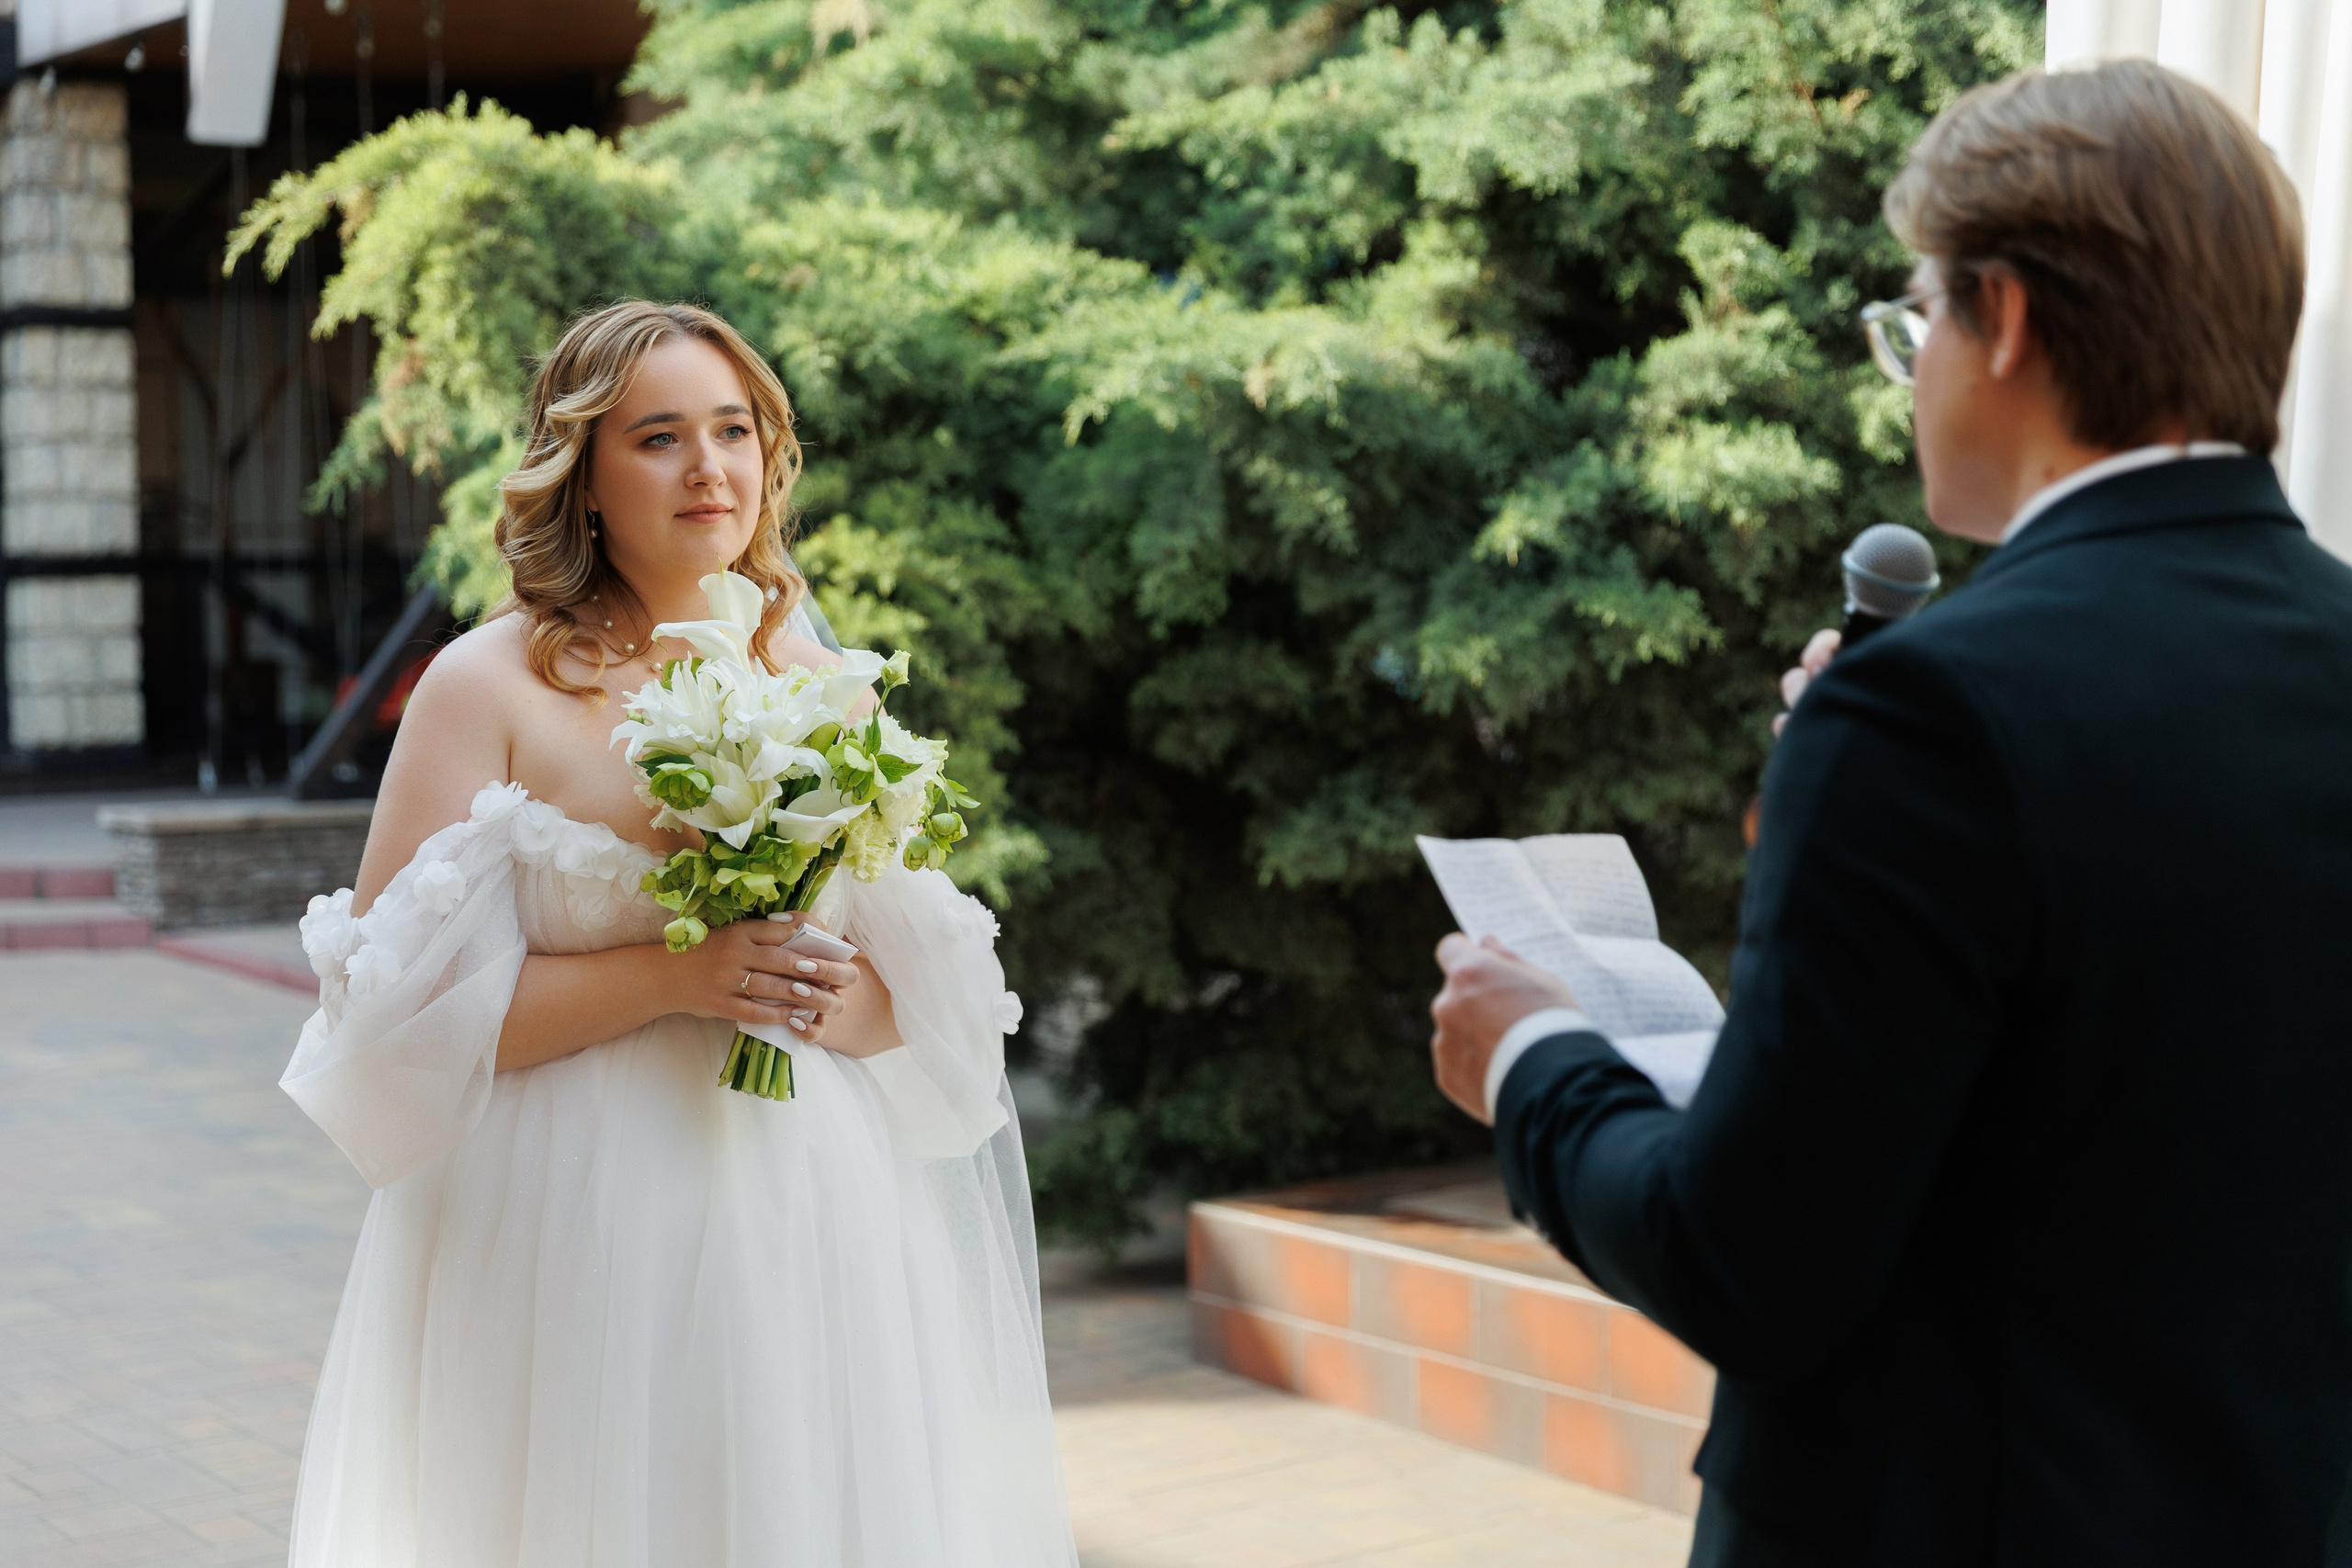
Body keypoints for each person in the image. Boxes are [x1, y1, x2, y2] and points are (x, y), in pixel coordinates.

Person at [1428, 61, 2352, 1567]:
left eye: (1914, 320)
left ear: (2010, 321)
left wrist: (1532, 1058)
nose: (1908, 366)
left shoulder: (1930, 713)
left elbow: (1745, 1261)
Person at [277, 301, 1075, 1565]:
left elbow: (910, 1009)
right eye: (659, 437)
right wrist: (678, 973)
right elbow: (381, 1025)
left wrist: (820, 992)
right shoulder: (487, 688)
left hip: (807, 1221)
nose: (711, 468)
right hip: (565, 1228)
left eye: (735, 430)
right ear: (583, 477)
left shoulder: (829, 688)